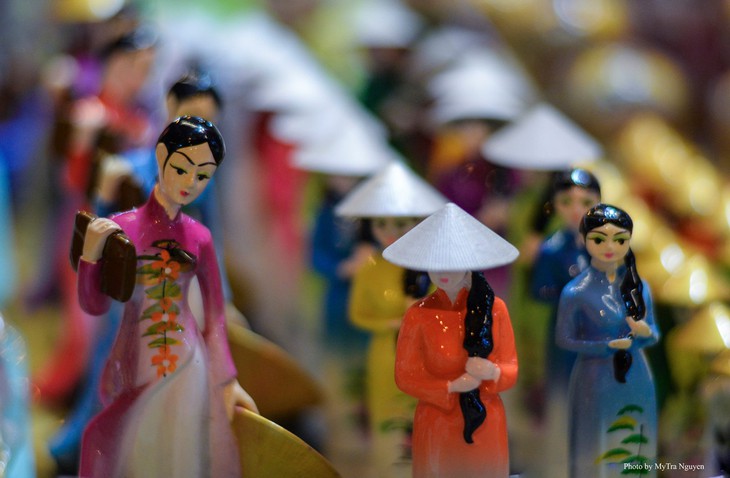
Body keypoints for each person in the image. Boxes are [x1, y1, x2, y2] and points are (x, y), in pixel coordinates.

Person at [76, 116, 253, 477]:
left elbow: (216, 316)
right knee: (129, 448)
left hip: (189, 364)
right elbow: (94, 305)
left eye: (202, 176)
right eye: (182, 169)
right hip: (136, 359)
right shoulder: (121, 229)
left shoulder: (200, 237)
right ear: (161, 156)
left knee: (180, 453)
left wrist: (226, 379)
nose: (190, 183)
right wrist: (90, 256)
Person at [383, 202, 519, 478]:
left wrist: (493, 372)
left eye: (452, 261)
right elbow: (405, 376)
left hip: (485, 420)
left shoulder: (495, 310)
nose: (443, 271)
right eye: (436, 262)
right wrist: (450, 386)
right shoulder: (418, 315)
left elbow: (511, 368)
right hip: (437, 420)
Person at [557, 203, 660, 478]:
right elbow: (564, 339)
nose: (610, 247)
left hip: (637, 376)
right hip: (595, 377)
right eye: (600, 239)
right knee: (595, 441)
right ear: (584, 240)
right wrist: (604, 347)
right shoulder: (575, 292)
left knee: (635, 440)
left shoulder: (640, 288)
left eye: (620, 239)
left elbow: (654, 333)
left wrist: (644, 331)